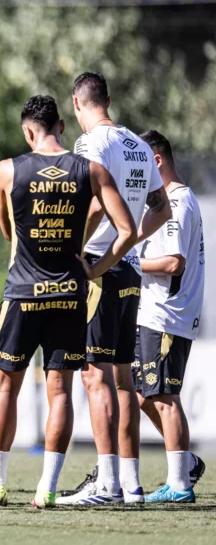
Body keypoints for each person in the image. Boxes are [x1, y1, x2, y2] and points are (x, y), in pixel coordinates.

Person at [0, 95, 136, 509]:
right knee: (60, 392)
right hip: (69, 295)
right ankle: (46, 489)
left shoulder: (8, 170)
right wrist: (95, 269)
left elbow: (7, 229)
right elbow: (128, 230)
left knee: (5, 388)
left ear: (27, 130)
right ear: (61, 126)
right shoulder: (90, 170)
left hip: (22, 293)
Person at [57, 72, 171, 506]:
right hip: (129, 270)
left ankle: (106, 484)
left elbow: (89, 205)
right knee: (123, 381)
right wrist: (129, 241)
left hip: (97, 270)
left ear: (76, 103)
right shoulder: (139, 144)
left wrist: (77, 250)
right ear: (109, 98)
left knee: (94, 375)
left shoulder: (90, 143)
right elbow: (161, 208)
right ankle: (131, 484)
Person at [133, 130, 206, 503]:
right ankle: (186, 462)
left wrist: (128, 263)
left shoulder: (176, 202)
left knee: (163, 395)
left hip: (166, 314)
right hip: (153, 313)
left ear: (156, 160)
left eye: (141, 164)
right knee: (142, 394)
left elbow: (174, 263)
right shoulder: (168, 201)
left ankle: (179, 484)